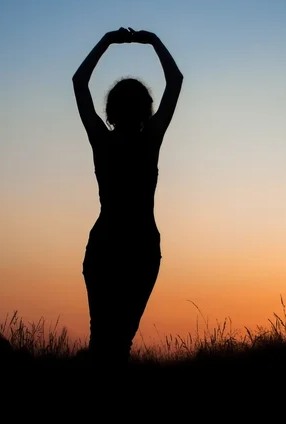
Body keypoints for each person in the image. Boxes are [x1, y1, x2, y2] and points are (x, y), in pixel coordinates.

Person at [72, 27, 183, 366]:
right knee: (120, 342)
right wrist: (152, 41)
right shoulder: (150, 140)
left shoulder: (102, 141)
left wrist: (107, 41)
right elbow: (175, 80)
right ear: (147, 109)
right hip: (140, 248)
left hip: (107, 245)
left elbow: (79, 82)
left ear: (110, 110)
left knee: (101, 339)